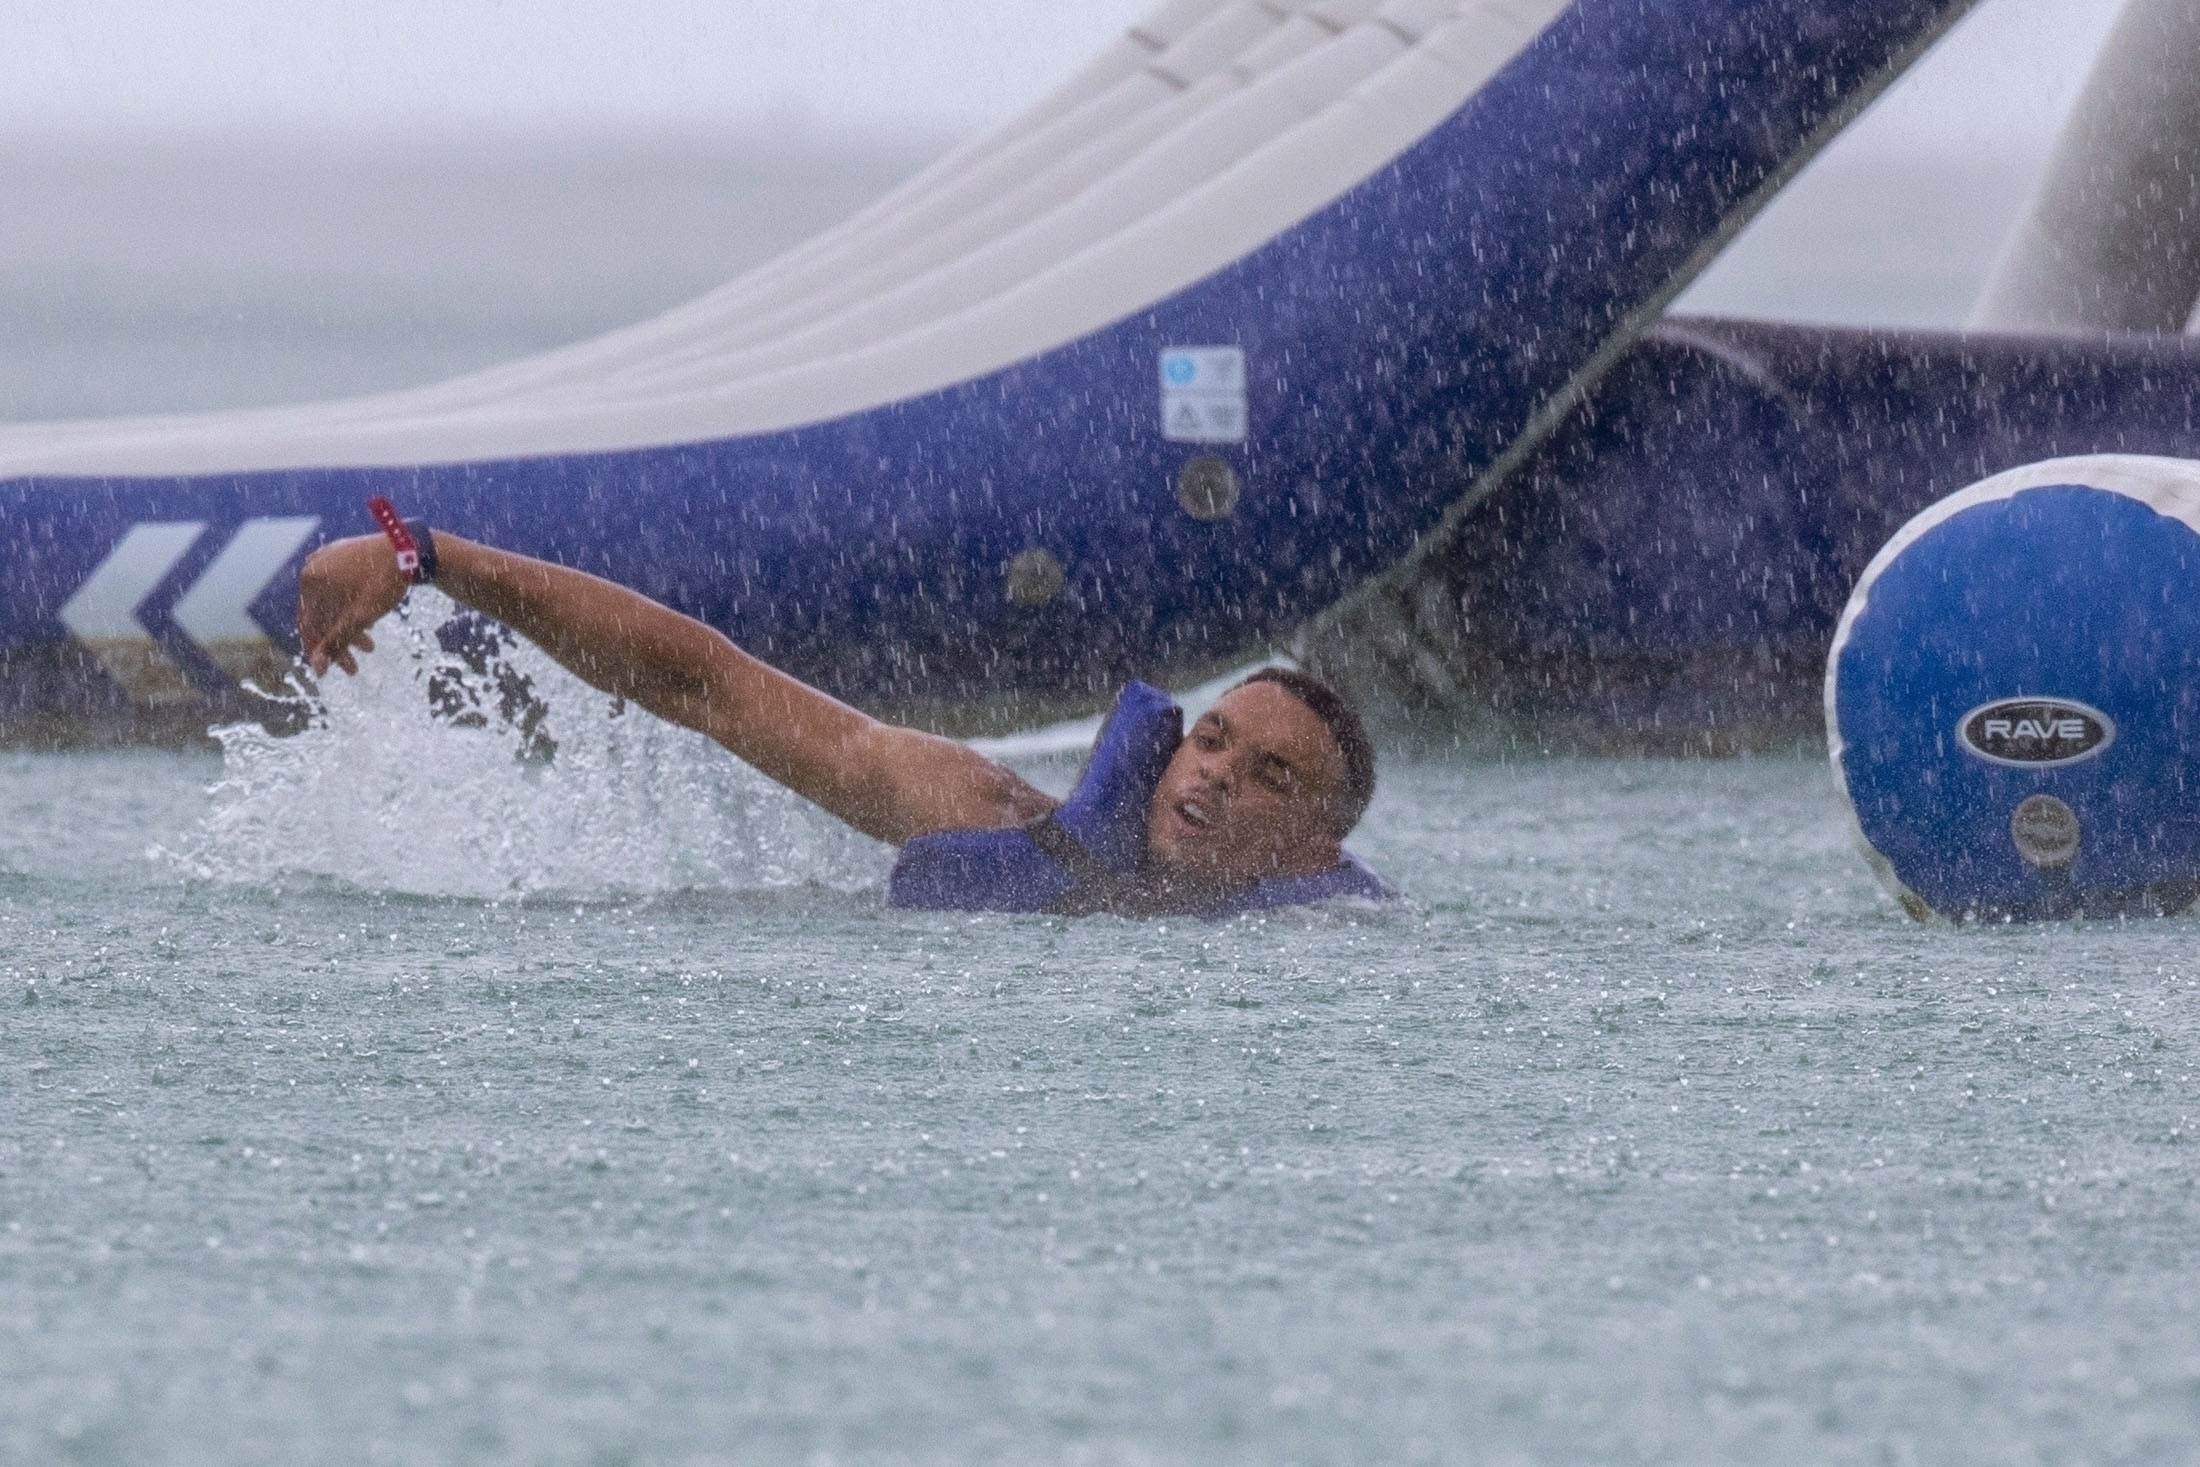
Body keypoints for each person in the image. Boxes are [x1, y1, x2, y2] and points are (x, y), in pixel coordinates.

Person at [297, 512, 1392, 917]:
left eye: (1271, 778)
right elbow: (705, 685)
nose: (1213, 776)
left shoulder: (1326, 946)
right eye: (1210, 740)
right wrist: (427, 557)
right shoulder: (990, 819)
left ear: (1313, 848)